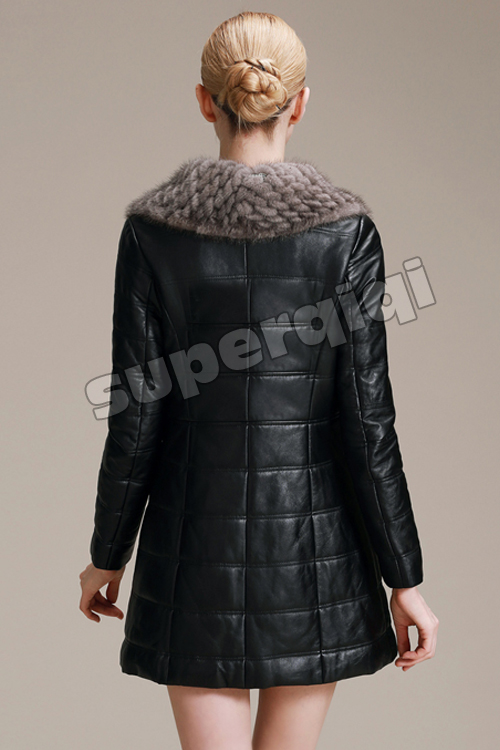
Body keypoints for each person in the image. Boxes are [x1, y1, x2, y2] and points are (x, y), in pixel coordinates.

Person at [79, 11, 439, 750]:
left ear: (204, 100)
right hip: (314, 559)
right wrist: (405, 579)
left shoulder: (152, 235)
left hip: (192, 553)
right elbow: (369, 424)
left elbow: (135, 418)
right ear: (298, 104)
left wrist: (107, 555)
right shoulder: (347, 237)